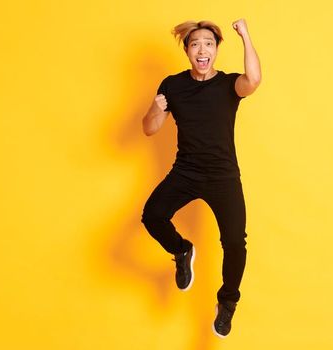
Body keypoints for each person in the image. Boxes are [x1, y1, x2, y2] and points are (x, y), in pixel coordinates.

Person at [140, 18, 261, 338]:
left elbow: (254, 79)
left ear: (217, 50)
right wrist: (155, 107)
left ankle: (227, 303)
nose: (202, 50)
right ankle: (181, 251)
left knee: (235, 243)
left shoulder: (229, 85)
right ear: (188, 51)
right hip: (187, 171)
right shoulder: (172, 85)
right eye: (195, 44)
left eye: (209, 43)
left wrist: (245, 35)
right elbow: (150, 128)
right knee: (152, 216)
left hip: (223, 176)